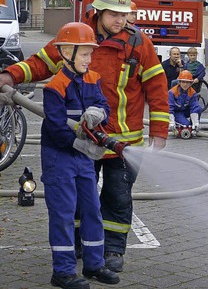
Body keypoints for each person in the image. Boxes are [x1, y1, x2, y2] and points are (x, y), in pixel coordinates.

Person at [0, 0, 170, 273]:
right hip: (83, 140)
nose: (119, 20)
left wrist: (160, 129)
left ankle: (113, 249)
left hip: (123, 142)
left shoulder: (140, 44)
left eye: (124, 14)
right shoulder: (78, 36)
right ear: (99, 12)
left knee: (118, 197)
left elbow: (158, 87)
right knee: (80, 198)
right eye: (114, 13)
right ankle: (81, 246)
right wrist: (10, 75)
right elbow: (41, 62)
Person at [41, 21, 119, 289]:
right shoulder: (54, 87)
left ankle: (94, 265)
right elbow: (56, 128)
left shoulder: (92, 78)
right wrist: (84, 145)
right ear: (66, 53)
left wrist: (100, 112)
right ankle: (62, 272)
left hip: (83, 160)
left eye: (90, 53)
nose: (89, 59)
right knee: (63, 215)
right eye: (84, 54)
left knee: (92, 210)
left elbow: (103, 104)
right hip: (59, 157)